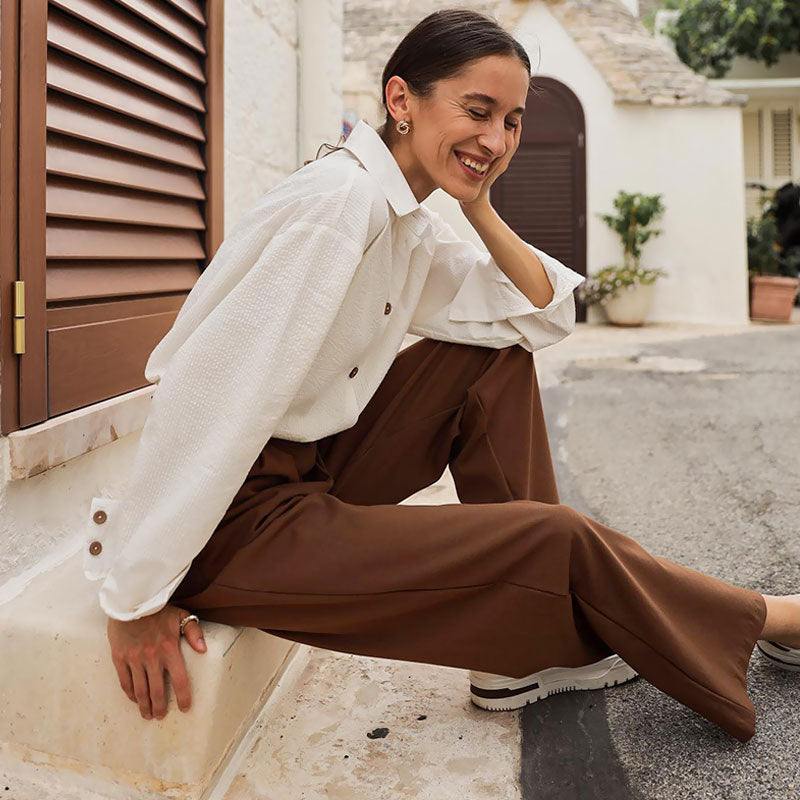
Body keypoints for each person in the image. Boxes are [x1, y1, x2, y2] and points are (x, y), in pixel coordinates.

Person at [90, 9, 800, 742]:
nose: (496, 140)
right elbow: (208, 392)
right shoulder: (338, 205)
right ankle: (771, 617)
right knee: (553, 538)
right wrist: (136, 596)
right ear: (401, 101)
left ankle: (530, 646)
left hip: (305, 474)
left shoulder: (405, 223)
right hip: (235, 525)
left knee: (490, 360)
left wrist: (481, 205)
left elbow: (540, 316)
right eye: (477, 110)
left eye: (514, 122)